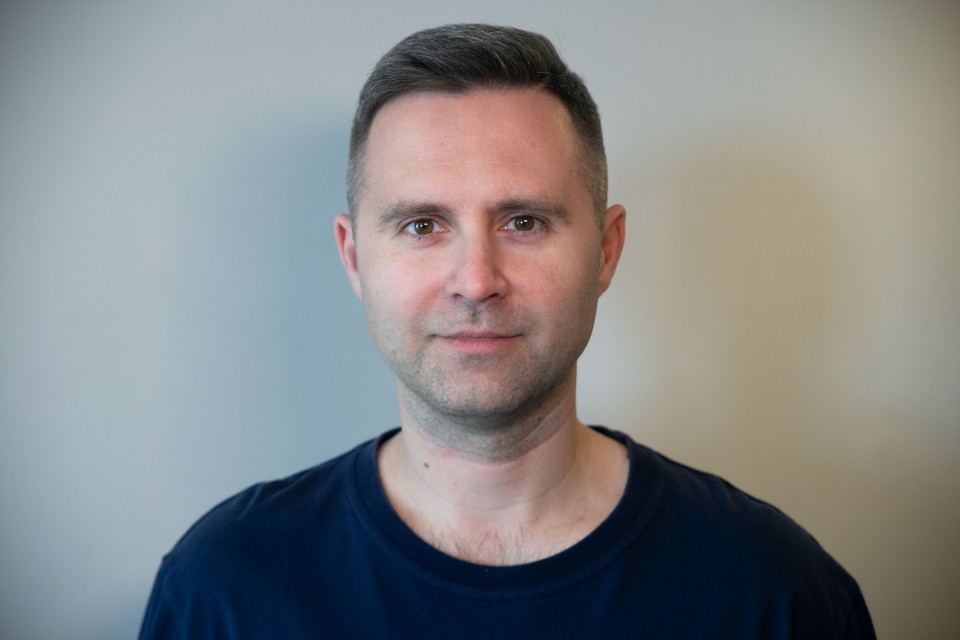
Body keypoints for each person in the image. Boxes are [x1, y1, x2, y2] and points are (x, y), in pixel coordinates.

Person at [140, 24, 875, 638]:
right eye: (422, 225)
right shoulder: (224, 588)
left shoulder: (775, 592)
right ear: (354, 258)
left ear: (605, 251)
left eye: (523, 222)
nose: (475, 279)